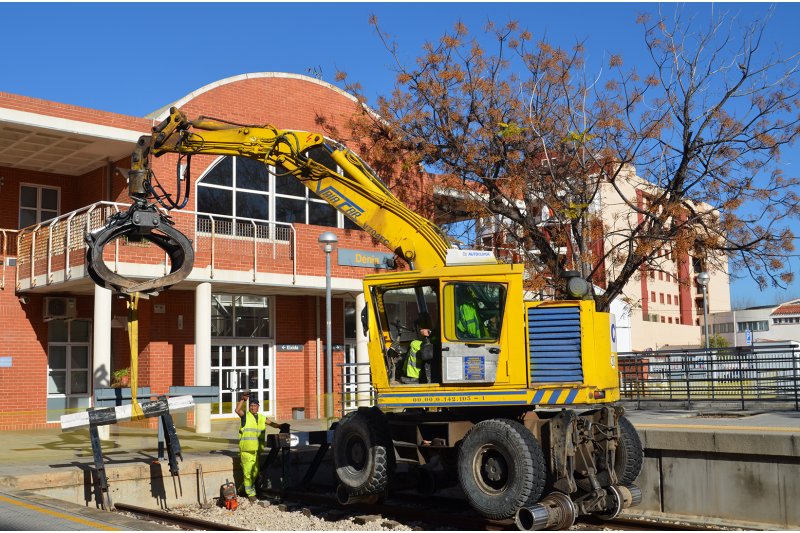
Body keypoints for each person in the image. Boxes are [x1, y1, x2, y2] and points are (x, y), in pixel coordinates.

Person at [235, 391, 281, 501]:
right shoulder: (245, 416)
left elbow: (272, 424)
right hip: (246, 450)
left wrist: (281, 426)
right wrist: (242, 399)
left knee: (255, 473)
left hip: (256, 451)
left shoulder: (261, 418)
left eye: (254, 405)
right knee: (248, 473)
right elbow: (237, 410)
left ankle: (242, 489)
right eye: (251, 405)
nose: (252, 407)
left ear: (258, 407)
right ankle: (251, 494)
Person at [401, 314, 435, 384]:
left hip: (431, 343)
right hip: (427, 342)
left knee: (414, 345)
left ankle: (414, 376)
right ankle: (405, 372)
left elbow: (433, 333)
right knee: (412, 344)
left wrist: (428, 332)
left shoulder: (432, 327)